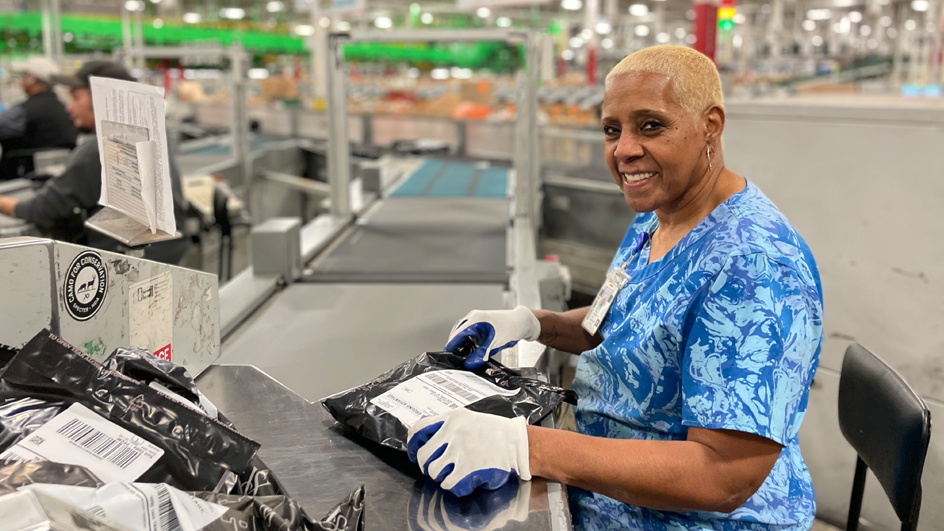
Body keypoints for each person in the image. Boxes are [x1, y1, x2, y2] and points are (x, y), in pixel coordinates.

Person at [407, 46, 824, 531]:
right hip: (608, 491)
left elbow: (724, 476)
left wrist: (527, 447)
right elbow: (616, 322)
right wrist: (531, 323)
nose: (624, 149)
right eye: (612, 129)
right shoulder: (656, 217)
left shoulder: (754, 264)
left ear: (710, 125)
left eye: (650, 126)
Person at [0, 61, 189, 265]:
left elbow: (39, 210)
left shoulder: (101, 149)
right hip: (168, 258)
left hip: (124, 269)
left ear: (103, 99)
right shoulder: (154, 135)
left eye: (76, 97)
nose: (69, 107)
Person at [0, 57, 77, 180]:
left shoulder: (22, 112)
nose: (20, 81)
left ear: (31, 79)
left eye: (23, 76)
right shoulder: (66, 109)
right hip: (61, 179)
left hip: (20, 181)